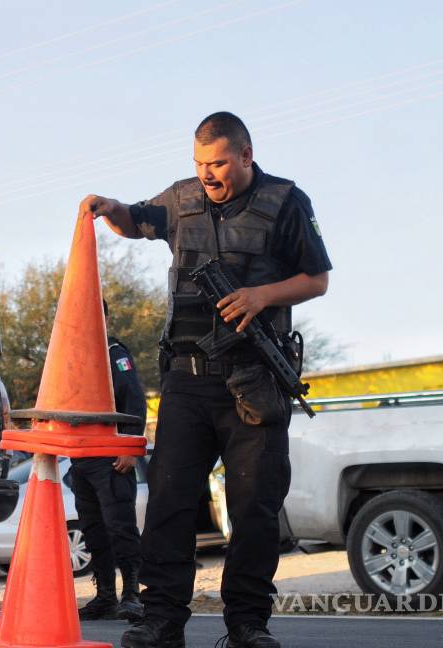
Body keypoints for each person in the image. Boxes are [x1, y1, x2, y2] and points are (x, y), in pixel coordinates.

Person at [80, 112, 331, 648]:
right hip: (186, 381)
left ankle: (247, 624)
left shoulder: (286, 201)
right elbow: (135, 221)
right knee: (170, 504)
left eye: (217, 163)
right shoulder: (182, 198)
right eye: (199, 164)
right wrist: (108, 210)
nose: (208, 174)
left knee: (254, 507)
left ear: (245, 154)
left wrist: (262, 296)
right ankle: (162, 619)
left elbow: (318, 279)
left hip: (254, 381)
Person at [70, 301, 147, 621]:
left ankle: (132, 595)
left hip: (111, 458)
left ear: (105, 318)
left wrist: (130, 448)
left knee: (121, 529)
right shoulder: (73, 357)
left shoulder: (114, 352)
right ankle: (105, 596)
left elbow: (134, 398)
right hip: (81, 458)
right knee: (93, 531)